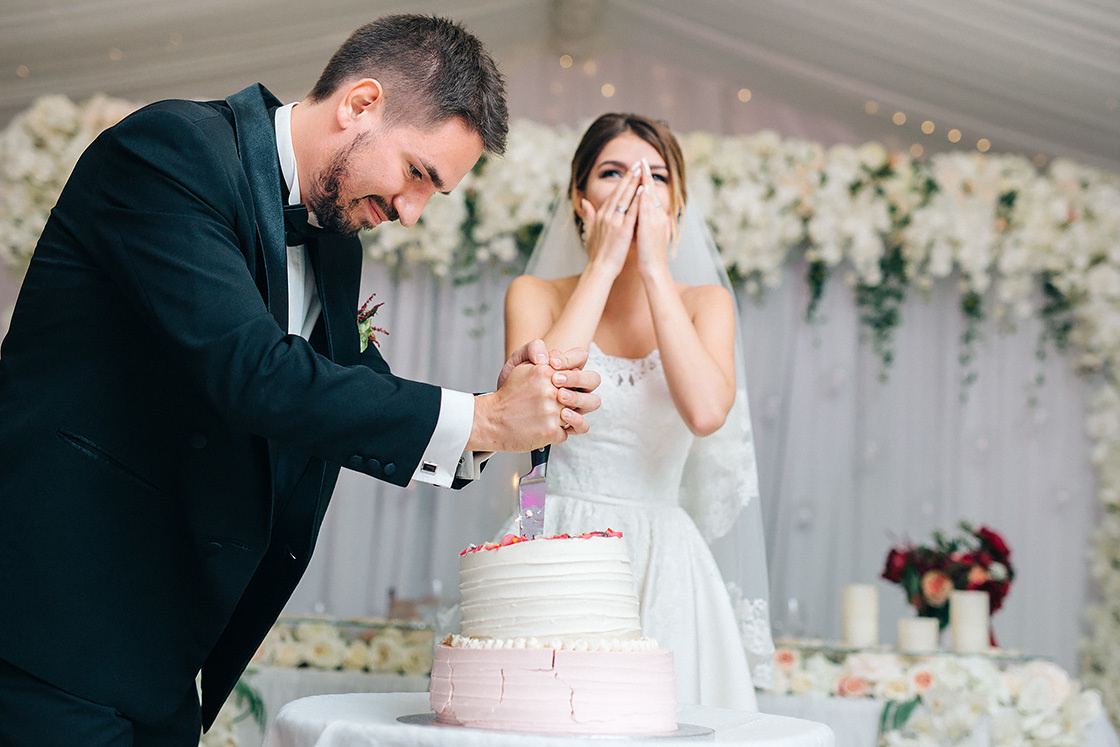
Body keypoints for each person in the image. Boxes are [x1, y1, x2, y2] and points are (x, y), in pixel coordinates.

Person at [0, 14, 602, 744]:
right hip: (46, 638)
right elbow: (251, 371)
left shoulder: (334, 241)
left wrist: (491, 410)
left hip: (163, 665)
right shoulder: (168, 153)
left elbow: (341, 384)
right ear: (359, 105)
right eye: (417, 173)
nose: (411, 213)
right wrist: (481, 418)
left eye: (431, 194)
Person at [501, 113, 774, 710]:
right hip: (555, 540)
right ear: (581, 199)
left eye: (655, 175)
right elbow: (540, 407)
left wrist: (653, 269)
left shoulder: (708, 304)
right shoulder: (534, 294)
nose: (636, 187)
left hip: (666, 558)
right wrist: (602, 266)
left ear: (676, 203)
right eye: (613, 172)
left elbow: (705, 413)